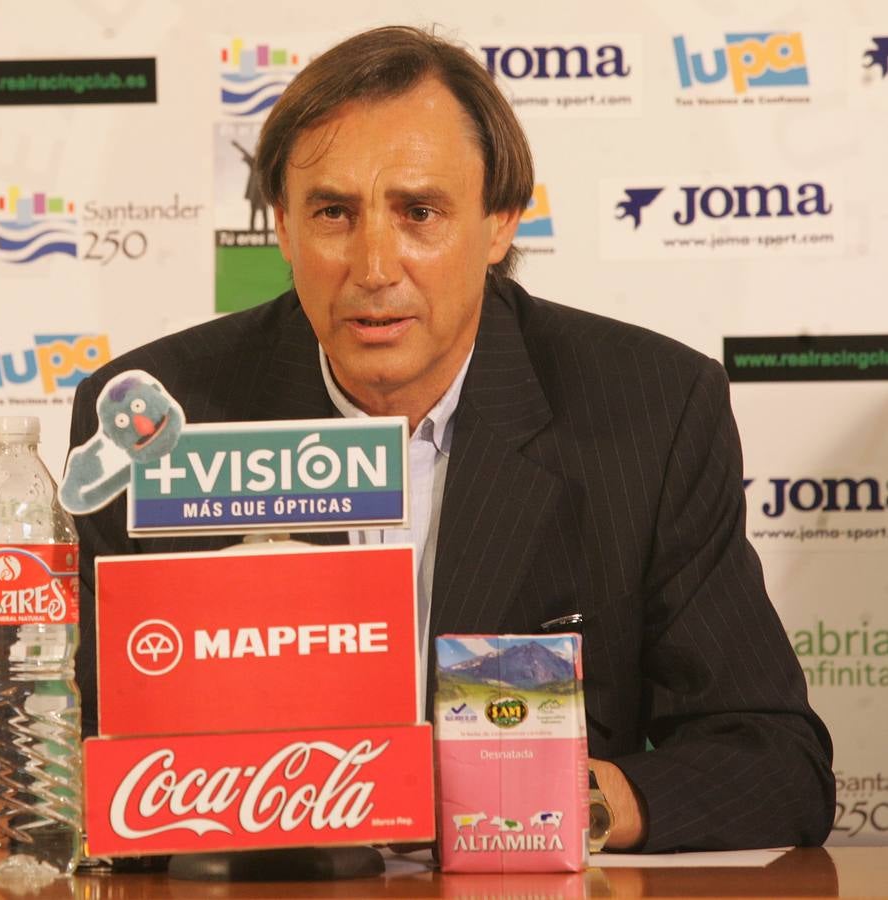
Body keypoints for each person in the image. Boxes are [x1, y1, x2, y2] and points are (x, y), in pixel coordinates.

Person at [67, 26, 834, 852]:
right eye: (333, 213)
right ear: (283, 231)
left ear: (500, 222)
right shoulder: (161, 418)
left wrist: (560, 803)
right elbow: (79, 756)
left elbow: (775, 761)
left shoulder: (650, 410)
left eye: (419, 212)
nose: (373, 265)